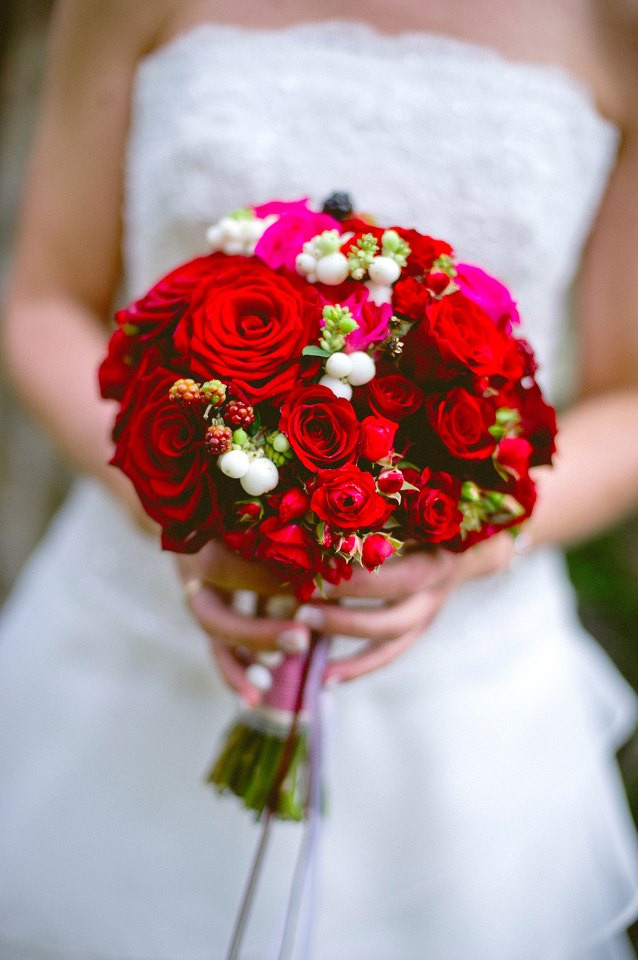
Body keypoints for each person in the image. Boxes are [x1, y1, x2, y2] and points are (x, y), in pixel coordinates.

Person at [1, 0, 638, 957]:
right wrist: (174, 501)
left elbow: (631, 397)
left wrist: (464, 546)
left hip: (459, 695)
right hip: (134, 633)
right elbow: (45, 300)